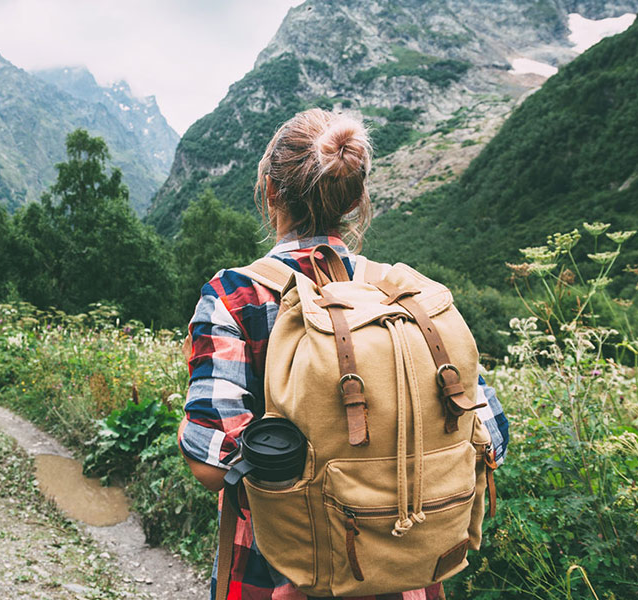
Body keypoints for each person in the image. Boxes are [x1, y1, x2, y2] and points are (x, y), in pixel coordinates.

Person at [177, 107, 509, 600]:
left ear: (271, 191)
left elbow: (211, 464)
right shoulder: (403, 295)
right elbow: (491, 437)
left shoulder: (236, 296)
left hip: (277, 575)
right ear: (356, 200)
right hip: (409, 574)